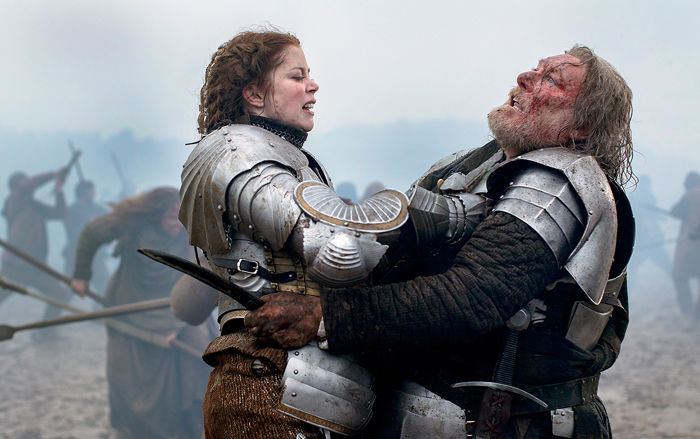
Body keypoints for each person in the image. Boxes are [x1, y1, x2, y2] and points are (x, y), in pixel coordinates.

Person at [245, 45, 635, 439]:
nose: (525, 78)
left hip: (508, 425)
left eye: (551, 80)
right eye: (535, 69)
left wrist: (327, 317)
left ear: (582, 126)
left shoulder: (558, 181)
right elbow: (390, 258)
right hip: (417, 409)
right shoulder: (466, 167)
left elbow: (474, 295)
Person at [175, 28, 493, 439]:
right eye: (297, 76)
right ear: (253, 94)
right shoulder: (237, 147)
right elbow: (338, 252)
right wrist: (456, 214)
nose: (313, 85)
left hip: (299, 382)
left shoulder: (292, 158)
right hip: (266, 378)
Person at [70, 187, 214, 439]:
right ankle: (130, 426)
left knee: (200, 352)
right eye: (170, 218)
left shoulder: (191, 228)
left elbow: (211, 262)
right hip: (131, 305)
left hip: (175, 306)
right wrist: (81, 275)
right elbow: (92, 232)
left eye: (180, 218)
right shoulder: (131, 223)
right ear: (156, 214)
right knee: (126, 375)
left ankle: (195, 423)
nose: (177, 224)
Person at [0, 166, 72, 326]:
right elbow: (28, 185)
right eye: (25, 183)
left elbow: (59, 213)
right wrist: (54, 174)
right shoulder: (13, 203)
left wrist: (58, 190)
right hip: (14, 267)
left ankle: (45, 334)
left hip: (35, 266)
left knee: (59, 294)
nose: (30, 187)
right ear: (16, 188)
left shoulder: (35, 206)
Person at [62, 180, 110, 295]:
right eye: (91, 191)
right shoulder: (71, 211)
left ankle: (99, 306)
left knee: (106, 290)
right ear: (83, 193)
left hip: (96, 256)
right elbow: (72, 234)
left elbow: (109, 219)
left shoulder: (96, 208)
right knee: (69, 292)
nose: (94, 194)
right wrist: (88, 223)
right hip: (75, 257)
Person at [626, 175, 672, 287]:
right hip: (642, 238)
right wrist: (650, 226)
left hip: (649, 238)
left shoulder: (647, 196)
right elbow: (640, 216)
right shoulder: (637, 197)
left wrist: (656, 221)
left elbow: (650, 215)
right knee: (633, 266)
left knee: (665, 263)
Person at [670, 171, 700, 329]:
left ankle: (689, 313)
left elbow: (676, 211)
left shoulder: (690, 195)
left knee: (679, 277)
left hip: (690, 245)